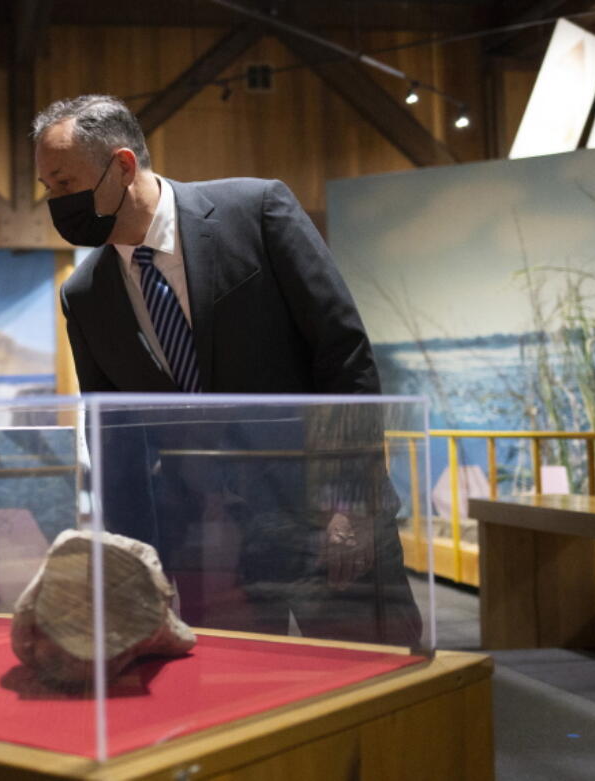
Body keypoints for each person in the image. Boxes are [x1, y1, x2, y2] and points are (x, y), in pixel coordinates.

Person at [34, 94, 422, 648]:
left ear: (122, 165)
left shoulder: (256, 212)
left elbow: (343, 355)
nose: (56, 202)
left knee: (376, 689)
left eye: (65, 183)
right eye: (49, 188)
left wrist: (351, 504)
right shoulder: (84, 295)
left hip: (326, 524)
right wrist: (137, 562)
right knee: (238, 709)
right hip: (209, 553)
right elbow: (114, 437)